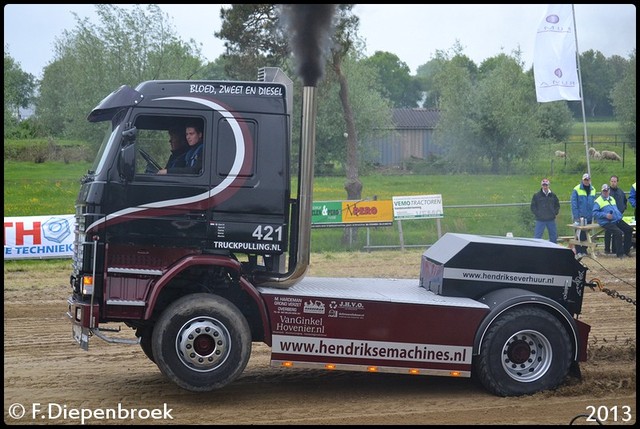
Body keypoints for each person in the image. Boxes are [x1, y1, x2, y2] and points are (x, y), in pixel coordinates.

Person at [593, 183, 632, 258]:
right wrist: (605, 215)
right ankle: (620, 254)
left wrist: (619, 216)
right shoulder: (598, 201)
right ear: (601, 191)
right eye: (604, 191)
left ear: (609, 191)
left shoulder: (612, 199)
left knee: (629, 230)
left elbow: (615, 209)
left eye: (607, 190)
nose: (605, 192)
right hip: (606, 222)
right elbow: (595, 213)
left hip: (616, 219)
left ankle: (626, 251)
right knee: (618, 232)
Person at [570, 173, 596, 257]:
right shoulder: (576, 189)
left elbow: (594, 203)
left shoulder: (593, 189)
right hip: (580, 217)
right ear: (582, 180)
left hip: (588, 216)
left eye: (588, 179)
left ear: (590, 180)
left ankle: (584, 250)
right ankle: (578, 251)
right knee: (578, 234)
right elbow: (574, 204)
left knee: (585, 234)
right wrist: (576, 216)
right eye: (585, 179)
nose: (586, 181)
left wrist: (593, 215)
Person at [530, 178, 560, 243]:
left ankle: (554, 251)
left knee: (553, 237)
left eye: (546, 185)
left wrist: (554, 213)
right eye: (543, 185)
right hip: (540, 220)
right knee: (537, 237)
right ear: (541, 186)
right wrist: (538, 214)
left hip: (551, 220)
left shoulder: (553, 195)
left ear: (549, 185)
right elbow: (533, 207)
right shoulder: (536, 196)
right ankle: (536, 250)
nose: (545, 186)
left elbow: (557, 205)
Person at [604, 175, 627, 254]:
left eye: (615, 181)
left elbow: (625, 201)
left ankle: (614, 249)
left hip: (618, 217)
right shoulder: (606, 192)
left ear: (617, 182)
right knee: (608, 233)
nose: (613, 183)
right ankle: (607, 249)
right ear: (609, 182)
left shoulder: (620, 192)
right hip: (609, 217)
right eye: (612, 181)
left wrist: (622, 210)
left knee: (616, 233)